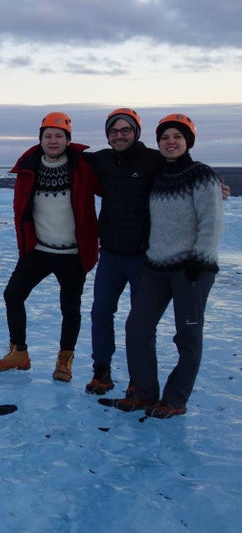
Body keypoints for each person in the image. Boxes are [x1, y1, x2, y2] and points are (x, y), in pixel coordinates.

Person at [101, 114, 223, 418]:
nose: (170, 142)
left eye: (177, 137)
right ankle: (144, 394)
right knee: (137, 328)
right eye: (165, 138)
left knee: (188, 336)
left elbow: (212, 221)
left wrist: (201, 258)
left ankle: (175, 400)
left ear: (188, 141)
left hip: (192, 269)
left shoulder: (202, 175)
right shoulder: (158, 176)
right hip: (155, 266)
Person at [0, 112, 98, 381]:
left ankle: (64, 361)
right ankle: (19, 354)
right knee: (13, 295)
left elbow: (121, 185)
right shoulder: (30, 167)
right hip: (38, 250)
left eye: (59, 135)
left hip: (72, 253)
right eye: (48, 135)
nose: (53, 140)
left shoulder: (84, 166)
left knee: (70, 308)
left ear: (68, 140)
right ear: (40, 139)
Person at [81, 108, 164, 395]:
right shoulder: (102, 160)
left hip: (143, 257)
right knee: (101, 313)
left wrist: (210, 183)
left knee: (140, 322)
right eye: (114, 131)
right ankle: (101, 372)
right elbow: (65, 156)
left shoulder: (153, 160)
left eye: (125, 130)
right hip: (111, 257)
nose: (119, 136)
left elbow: (184, 169)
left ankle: (138, 379)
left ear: (136, 133)